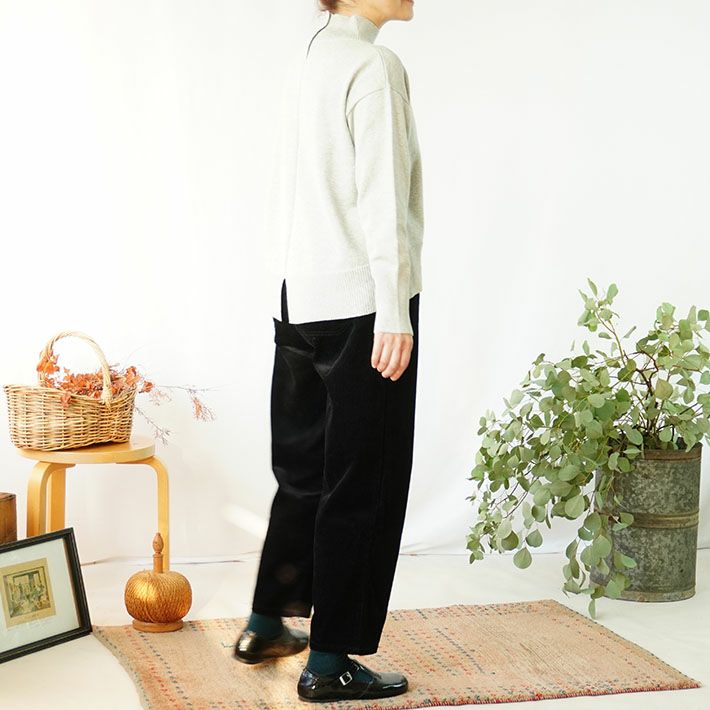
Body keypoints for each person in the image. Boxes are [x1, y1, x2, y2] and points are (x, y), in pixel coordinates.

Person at [235, 0, 423, 702]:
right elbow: (382, 197)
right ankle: (330, 660)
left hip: (296, 298)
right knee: (361, 481)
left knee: (304, 474)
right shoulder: (373, 66)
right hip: (360, 305)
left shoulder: (309, 57)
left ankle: (266, 623)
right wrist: (394, 308)